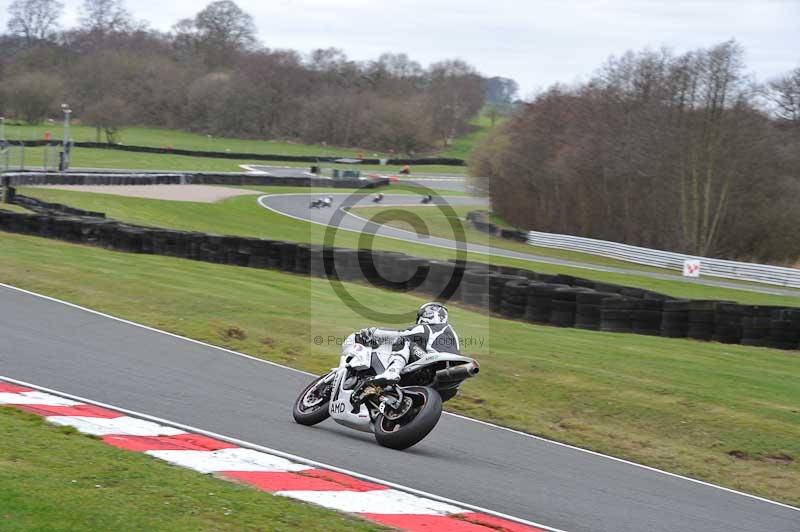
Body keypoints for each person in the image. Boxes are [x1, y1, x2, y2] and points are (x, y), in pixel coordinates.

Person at [358, 302, 459, 383]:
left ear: (427, 314)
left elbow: (398, 334)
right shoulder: (452, 333)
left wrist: (372, 332)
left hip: (433, 364)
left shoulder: (426, 328)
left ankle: (392, 371)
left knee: (403, 340)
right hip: (453, 373)